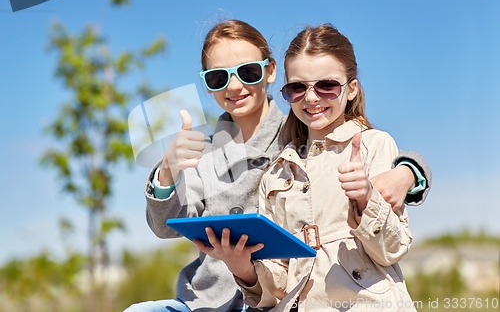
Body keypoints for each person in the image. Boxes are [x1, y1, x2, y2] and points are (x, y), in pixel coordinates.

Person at [125, 20, 430, 312]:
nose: (234, 86)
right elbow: (165, 226)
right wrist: (167, 170)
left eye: (247, 72)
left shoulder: (303, 131)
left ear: (270, 72)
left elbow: (371, 153)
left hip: (278, 296)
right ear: (207, 84)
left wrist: (408, 171)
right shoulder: (199, 151)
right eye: (218, 77)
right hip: (209, 298)